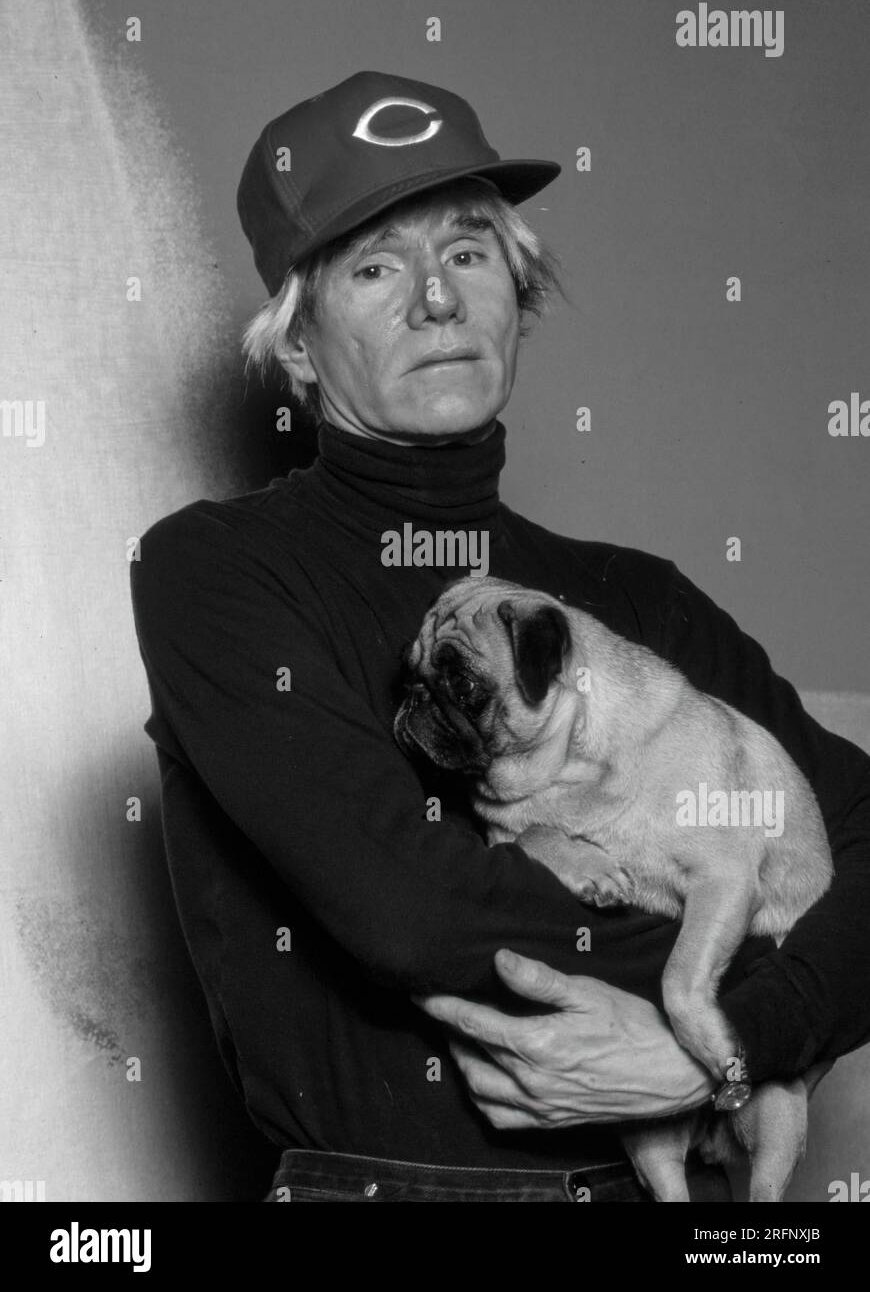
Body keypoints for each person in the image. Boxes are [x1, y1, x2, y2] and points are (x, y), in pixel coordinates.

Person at [130, 70, 870, 1203]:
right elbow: (412, 906)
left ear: (517, 290)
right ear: (294, 345)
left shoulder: (640, 601)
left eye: (468, 252)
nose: (437, 300)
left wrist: (722, 1042)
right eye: (377, 267)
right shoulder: (215, 572)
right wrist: (737, 993)